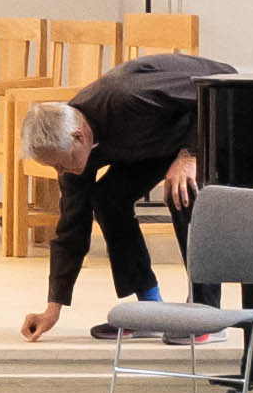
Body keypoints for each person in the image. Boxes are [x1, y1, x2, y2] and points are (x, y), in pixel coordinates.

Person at [18, 45, 236, 339]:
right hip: (157, 142)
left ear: (79, 137)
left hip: (210, 121)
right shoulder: (73, 157)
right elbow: (71, 228)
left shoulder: (127, 94)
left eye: (59, 163)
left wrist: (190, 155)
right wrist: (52, 308)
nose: (60, 172)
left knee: (182, 189)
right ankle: (150, 309)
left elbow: (216, 91)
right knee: (108, 199)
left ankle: (207, 315)